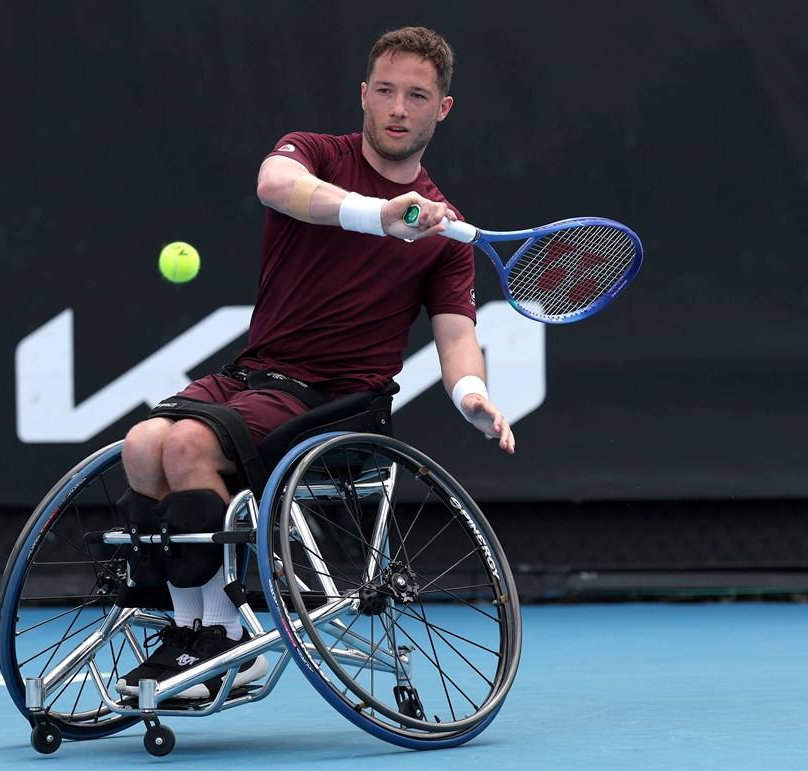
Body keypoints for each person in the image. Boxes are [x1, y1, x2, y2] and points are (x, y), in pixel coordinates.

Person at [115, 25, 515, 699]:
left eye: (415, 95)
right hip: (256, 372)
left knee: (184, 443)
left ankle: (221, 644)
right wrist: (377, 215)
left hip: (338, 399)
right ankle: (200, 634)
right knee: (142, 443)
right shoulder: (316, 154)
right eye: (384, 90)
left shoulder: (445, 236)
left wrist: (471, 391)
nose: (396, 107)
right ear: (363, 94)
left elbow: (455, 336)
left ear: (440, 108)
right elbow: (276, 184)